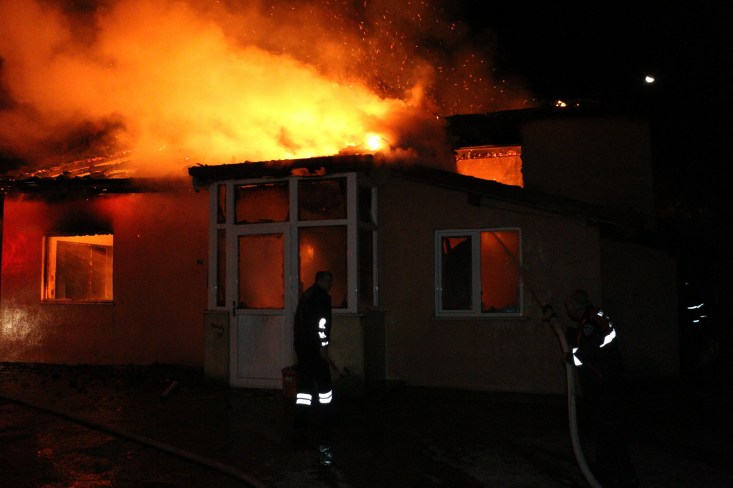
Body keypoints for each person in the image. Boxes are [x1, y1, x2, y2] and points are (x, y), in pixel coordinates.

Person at [561, 289, 638, 487]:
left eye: (568, 306)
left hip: (604, 386)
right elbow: (592, 340)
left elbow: (588, 350)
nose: (567, 310)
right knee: (608, 432)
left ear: (575, 307)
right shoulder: (595, 316)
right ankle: (611, 472)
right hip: (610, 382)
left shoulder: (590, 324)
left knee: (606, 432)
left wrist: (571, 358)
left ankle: (615, 475)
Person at [293, 270, 335, 466]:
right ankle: (325, 419)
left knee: (305, 385)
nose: (331, 285)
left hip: (303, 348)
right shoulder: (321, 298)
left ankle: (301, 421)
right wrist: (323, 346)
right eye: (329, 281)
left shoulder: (306, 297)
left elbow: (301, 324)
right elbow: (322, 324)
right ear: (320, 281)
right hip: (315, 349)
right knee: (324, 385)